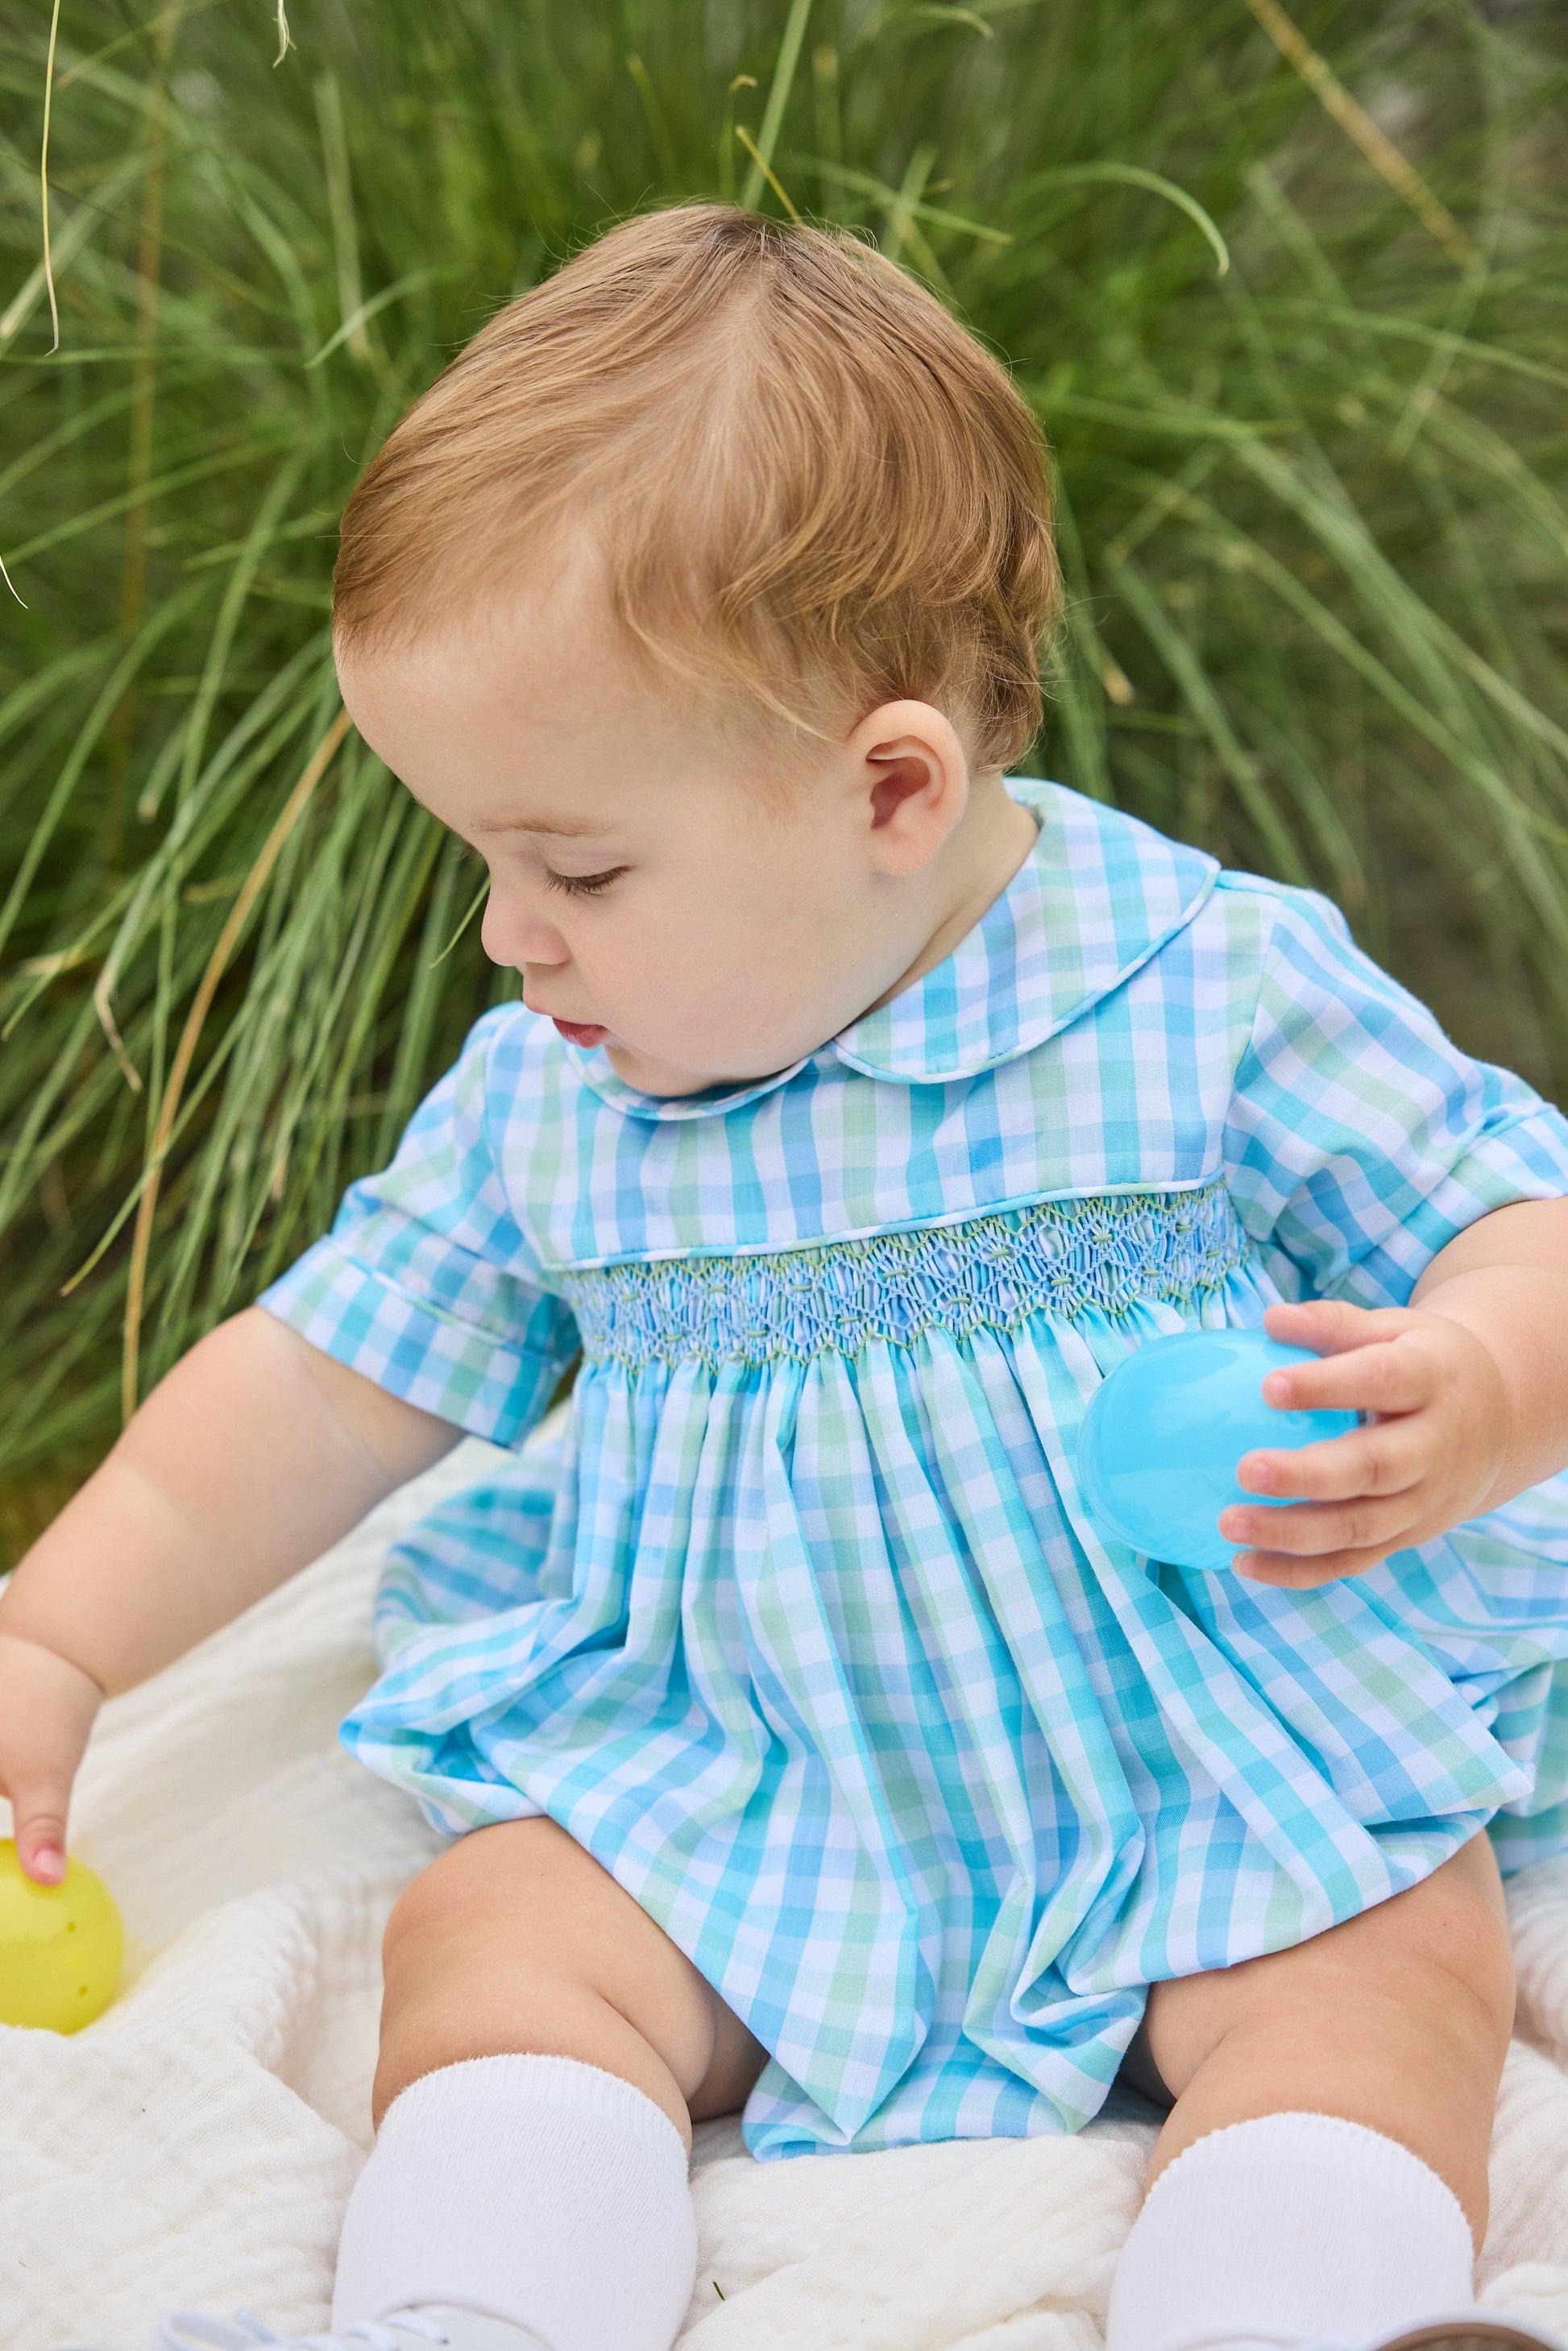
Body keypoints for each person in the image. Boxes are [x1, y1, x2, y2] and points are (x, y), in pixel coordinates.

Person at [7, 206, 1568, 2351]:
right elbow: (317, 1385)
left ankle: (1299, 2301)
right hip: (745, 1761)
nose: (506, 935)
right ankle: (471, 2309)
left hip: (1199, 1750)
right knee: (502, 1931)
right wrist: (57, 1639)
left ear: (891, 789)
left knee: (1391, 1966)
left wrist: (1475, 1379)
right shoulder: (555, 1100)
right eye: (476, 857)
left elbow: (1519, 1214)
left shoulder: (1199, 987)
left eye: (571, 865)